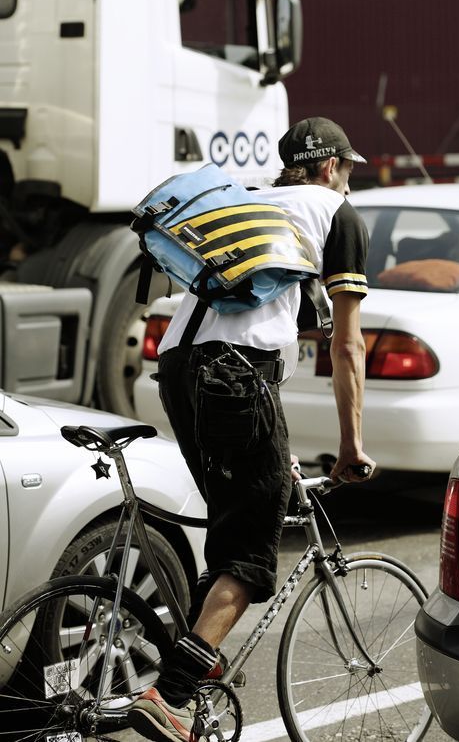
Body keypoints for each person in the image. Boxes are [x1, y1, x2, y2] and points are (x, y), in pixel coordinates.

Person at [129, 117, 377, 742]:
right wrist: (351, 446)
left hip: (180, 368)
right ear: (330, 168)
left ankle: (190, 660)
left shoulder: (249, 201)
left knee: (235, 517)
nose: (349, 182)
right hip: (237, 377)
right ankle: (171, 695)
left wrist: (282, 450)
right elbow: (347, 347)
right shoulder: (336, 214)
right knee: (251, 554)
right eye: (348, 169)